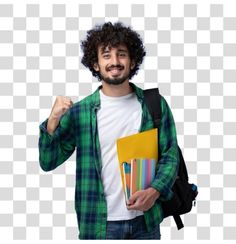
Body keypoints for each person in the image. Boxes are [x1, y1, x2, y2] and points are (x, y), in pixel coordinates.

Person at [38, 22, 179, 240]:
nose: (114, 62)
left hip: (146, 222)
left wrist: (155, 191)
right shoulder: (80, 112)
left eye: (121, 54)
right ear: (95, 64)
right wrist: (53, 119)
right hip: (98, 225)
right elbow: (48, 161)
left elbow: (170, 156)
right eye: (106, 55)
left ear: (132, 61)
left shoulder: (154, 104)